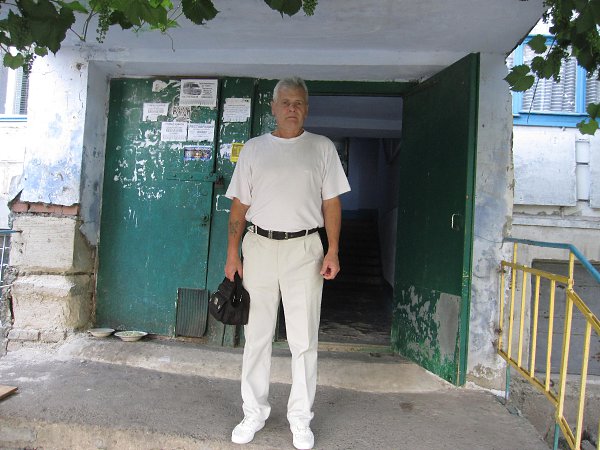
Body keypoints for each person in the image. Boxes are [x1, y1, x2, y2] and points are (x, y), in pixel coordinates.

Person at [224, 77, 350, 450]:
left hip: (305, 249)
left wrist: (333, 250)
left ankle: (300, 419)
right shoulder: (254, 149)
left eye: (298, 103)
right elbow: (239, 207)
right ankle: (253, 413)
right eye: (286, 102)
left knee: (304, 339)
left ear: (306, 109)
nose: (292, 108)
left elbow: (331, 203)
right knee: (257, 336)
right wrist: (232, 253)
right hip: (260, 247)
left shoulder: (322, 148)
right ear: (274, 108)